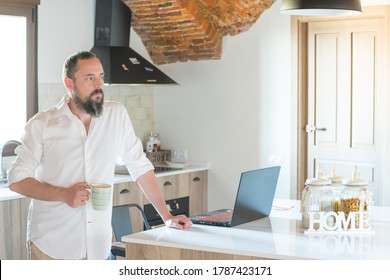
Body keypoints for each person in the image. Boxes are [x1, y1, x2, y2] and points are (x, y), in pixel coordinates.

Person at [8, 51, 192, 260]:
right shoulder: (42, 124)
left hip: (98, 246)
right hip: (52, 245)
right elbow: (17, 180)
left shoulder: (117, 115)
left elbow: (139, 166)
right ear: (69, 83)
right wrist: (63, 194)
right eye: (90, 77)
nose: (99, 84)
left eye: (101, 76)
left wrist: (167, 216)